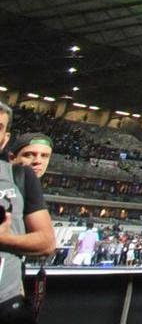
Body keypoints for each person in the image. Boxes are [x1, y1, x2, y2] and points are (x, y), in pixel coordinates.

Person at [0, 102, 54, 323]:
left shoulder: (21, 179)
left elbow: (47, 243)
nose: (37, 161)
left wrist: (5, 239)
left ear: (5, 138)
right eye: (30, 154)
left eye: (44, 156)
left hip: (8, 304)